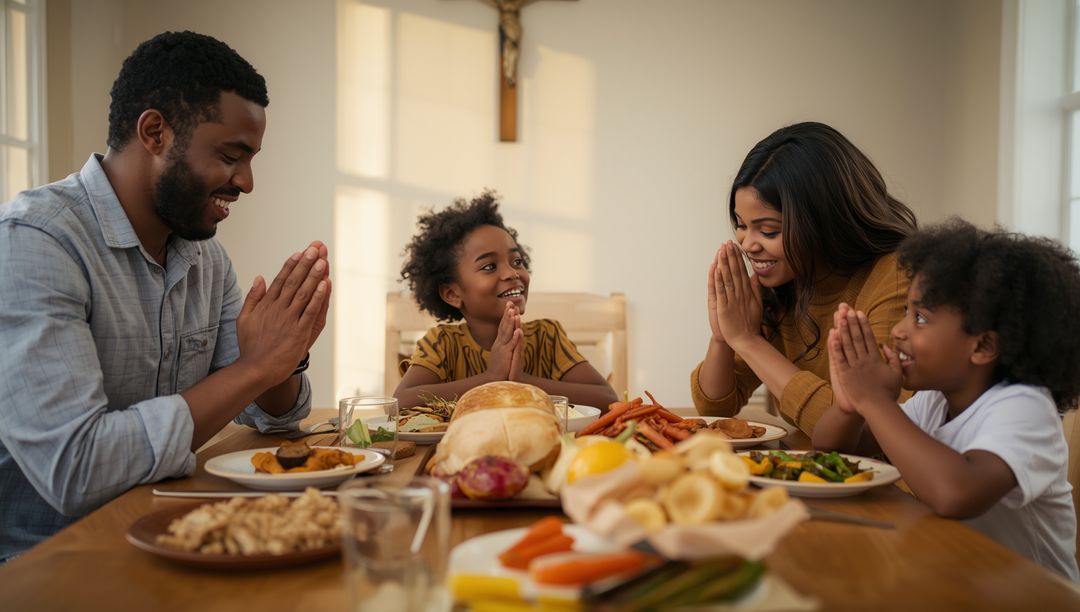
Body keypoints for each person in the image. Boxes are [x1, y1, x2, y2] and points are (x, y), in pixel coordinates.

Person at [0, 31, 331, 561]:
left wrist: (281, 360)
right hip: (47, 566)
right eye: (231, 155)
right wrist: (253, 369)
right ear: (154, 132)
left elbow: (272, 416)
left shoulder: (205, 258)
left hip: (171, 535)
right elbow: (75, 469)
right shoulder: (35, 242)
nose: (246, 182)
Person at [814, 219, 1080, 580]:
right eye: (907, 311)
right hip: (963, 580)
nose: (898, 329)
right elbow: (833, 448)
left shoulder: (1026, 408)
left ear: (982, 346)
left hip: (1036, 598)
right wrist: (852, 405)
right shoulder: (936, 401)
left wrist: (876, 402)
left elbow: (957, 493)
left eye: (920, 317)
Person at [691, 121, 918, 436]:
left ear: (825, 219)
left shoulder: (895, 277)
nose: (747, 244)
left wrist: (747, 340)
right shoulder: (781, 284)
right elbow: (714, 409)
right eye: (741, 224)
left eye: (769, 230)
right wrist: (723, 338)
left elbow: (868, 428)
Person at [395, 191, 618, 410]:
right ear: (452, 294)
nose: (512, 272)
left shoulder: (547, 338)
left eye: (517, 261)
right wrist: (491, 377)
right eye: (489, 266)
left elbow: (608, 398)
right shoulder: (442, 344)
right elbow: (399, 402)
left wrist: (522, 381)